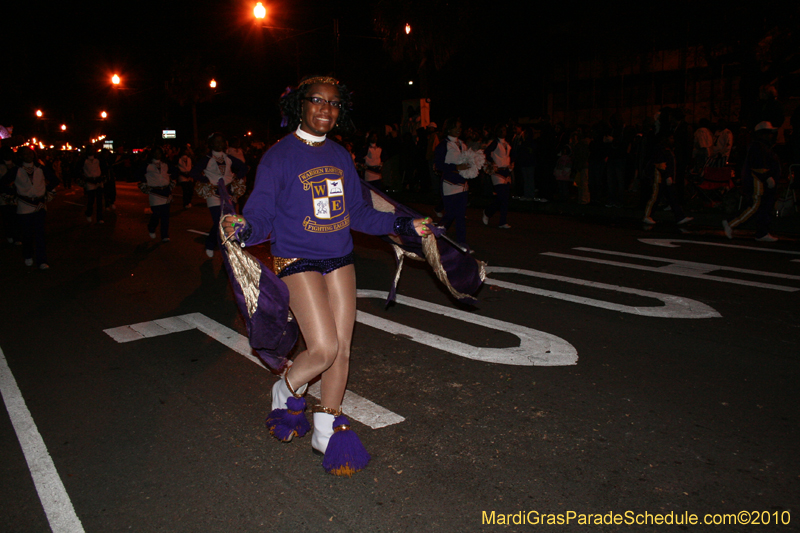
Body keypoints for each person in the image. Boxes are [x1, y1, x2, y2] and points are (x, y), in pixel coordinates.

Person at [222, 75, 432, 475]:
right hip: (296, 259)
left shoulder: (339, 155)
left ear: (341, 112)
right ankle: (284, 388)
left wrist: (404, 225)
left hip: (339, 257)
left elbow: (358, 212)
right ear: (299, 106)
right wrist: (245, 228)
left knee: (344, 348)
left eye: (334, 103)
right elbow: (262, 214)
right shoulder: (278, 157)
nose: (325, 109)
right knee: (322, 348)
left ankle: (326, 428)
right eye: (317, 100)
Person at [723, 122, 781, 242]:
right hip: (758, 183)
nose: (771, 136)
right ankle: (731, 223)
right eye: (769, 133)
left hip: (761, 182)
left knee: (762, 207)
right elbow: (758, 165)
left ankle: (762, 232)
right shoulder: (758, 146)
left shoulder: (761, 146)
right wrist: (767, 177)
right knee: (755, 206)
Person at [191, 133, 247, 257]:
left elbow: (244, 167)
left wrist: (236, 178)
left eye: (221, 142)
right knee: (218, 221)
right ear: (211, 144)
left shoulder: (228, 158)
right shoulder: (206, 159)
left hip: (227, 193)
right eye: (216, 142)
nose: (219, 144)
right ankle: (210, 244)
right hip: (213, 193)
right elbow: (194, 172)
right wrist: (206, 181)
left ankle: (229, 245)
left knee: (230, 221)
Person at [3, 147, 58, 268]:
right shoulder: (16, 170)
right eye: (25, 153)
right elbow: (3, 183)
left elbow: (54, 179)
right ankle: (28, 255)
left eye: (30, 153)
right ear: (21, 156)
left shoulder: (40, 168)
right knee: (27, 234)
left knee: (40, 234)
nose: (28, 155)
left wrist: (46, 190)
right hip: (24, 206)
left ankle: (42, 260)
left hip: (40, 205)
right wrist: (13, 192)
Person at [434, 118, 472, 249]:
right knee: (450, 215)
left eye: (460, 127)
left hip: (463, 186)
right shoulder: (443, 145)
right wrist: (456, 168)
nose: (459, 129)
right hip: (449, 184)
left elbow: (469, 162)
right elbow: (438, 165)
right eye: (456, 127)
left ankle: (462, 243)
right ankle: (435, 235)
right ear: (449, 129)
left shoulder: (463, 144)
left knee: (461, 215)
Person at [642, 132, 693, 226]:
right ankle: (647, 215)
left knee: (673, 198)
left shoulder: (668, 149)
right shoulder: (662, 150)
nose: (672, 140)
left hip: (666, 178)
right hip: (660, 178)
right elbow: (661, 165)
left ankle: (679, 217)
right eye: (671, 138)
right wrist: (667, 176)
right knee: (655, 197)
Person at [140, 147, 174, 242]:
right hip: (154, 192)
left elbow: (174, 171)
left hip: (166, 191)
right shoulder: (147, 165)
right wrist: (145, 184)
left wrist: (171, 181)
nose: (158, 154)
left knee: (165, 216)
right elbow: (138, 174)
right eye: (156, 152)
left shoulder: (165, 164)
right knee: (156, 213)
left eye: (159, 153)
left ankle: (164, 235)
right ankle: (151, 226)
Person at [482, 124, 513, 228]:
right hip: (497, 172)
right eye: (501, 130)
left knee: (505, 198)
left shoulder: (507, 144)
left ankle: (502, 221)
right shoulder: (495, 143)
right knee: (501, 197)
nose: (503, 132)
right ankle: (487, 212)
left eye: (504, 130)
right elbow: (486, 152)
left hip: (506, 172)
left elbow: (509, 156)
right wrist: (493, 162)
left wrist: (511, 163)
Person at [82, 149, 106, 223]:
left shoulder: (97, 160)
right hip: (90, 182)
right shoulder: (84, 161)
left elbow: (103, 168)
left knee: (99, 201)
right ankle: (89, 213)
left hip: (98, 181)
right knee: (91, 200)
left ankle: (99, 218)